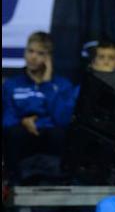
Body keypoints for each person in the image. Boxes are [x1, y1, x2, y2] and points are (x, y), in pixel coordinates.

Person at [2, 32, 75, 185]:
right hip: (22, 136)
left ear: (49, 58)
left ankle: (59, 185)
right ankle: (12, 184)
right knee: (13, 133)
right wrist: (24, 121)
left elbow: (63, 120)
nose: (33, 57)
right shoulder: (11, 84)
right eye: (30, 51)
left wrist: (47, 84)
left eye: (40, 53)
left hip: (50, 137)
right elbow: (7, 119)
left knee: (59, 134)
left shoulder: (62, 85)